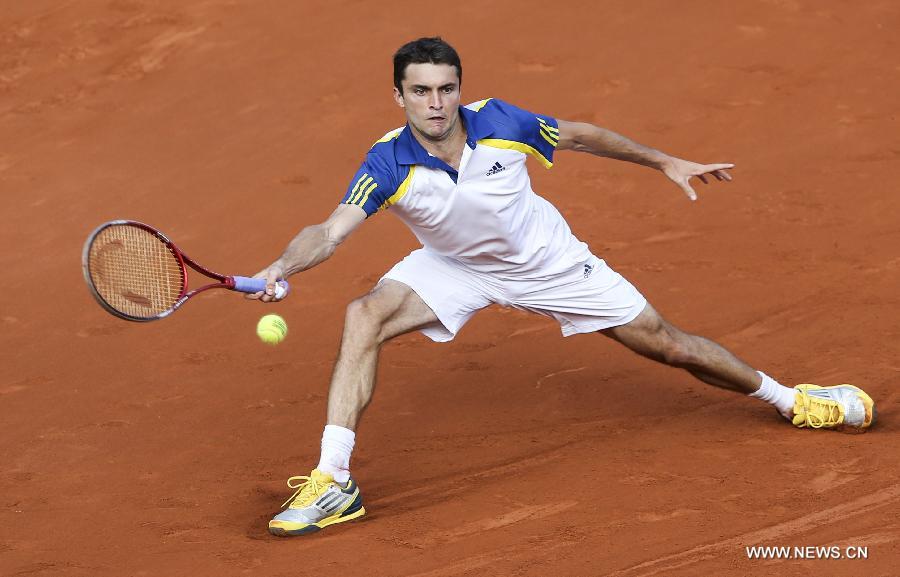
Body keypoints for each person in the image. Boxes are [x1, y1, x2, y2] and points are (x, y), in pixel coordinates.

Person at [249, 37, 875, 537]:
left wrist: (664, 161)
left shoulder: (500, 123)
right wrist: (282, 265)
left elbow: (578, 134)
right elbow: (330, 231)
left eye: (445, 89)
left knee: (668, 345)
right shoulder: (386, 163)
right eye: (420, 92)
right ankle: (334, 479)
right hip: (454, 266)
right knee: (365, 314)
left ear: (459, 90)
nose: (435, 103)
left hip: (547, 261)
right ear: (399, 97)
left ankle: (790, 400)